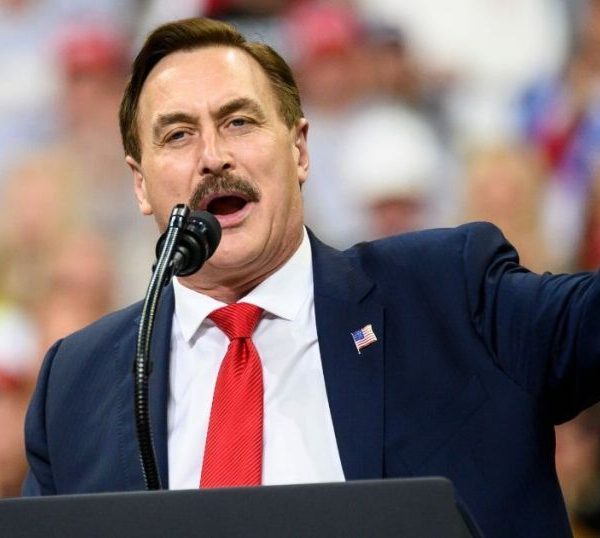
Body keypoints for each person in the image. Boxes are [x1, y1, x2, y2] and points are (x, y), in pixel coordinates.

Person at [22, 17, 600, 538]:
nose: (213, 156)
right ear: (140, 185)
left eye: (239, 121)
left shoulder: (450, 295)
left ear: (299, 149)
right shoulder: (76, 384)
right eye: (178, 135)